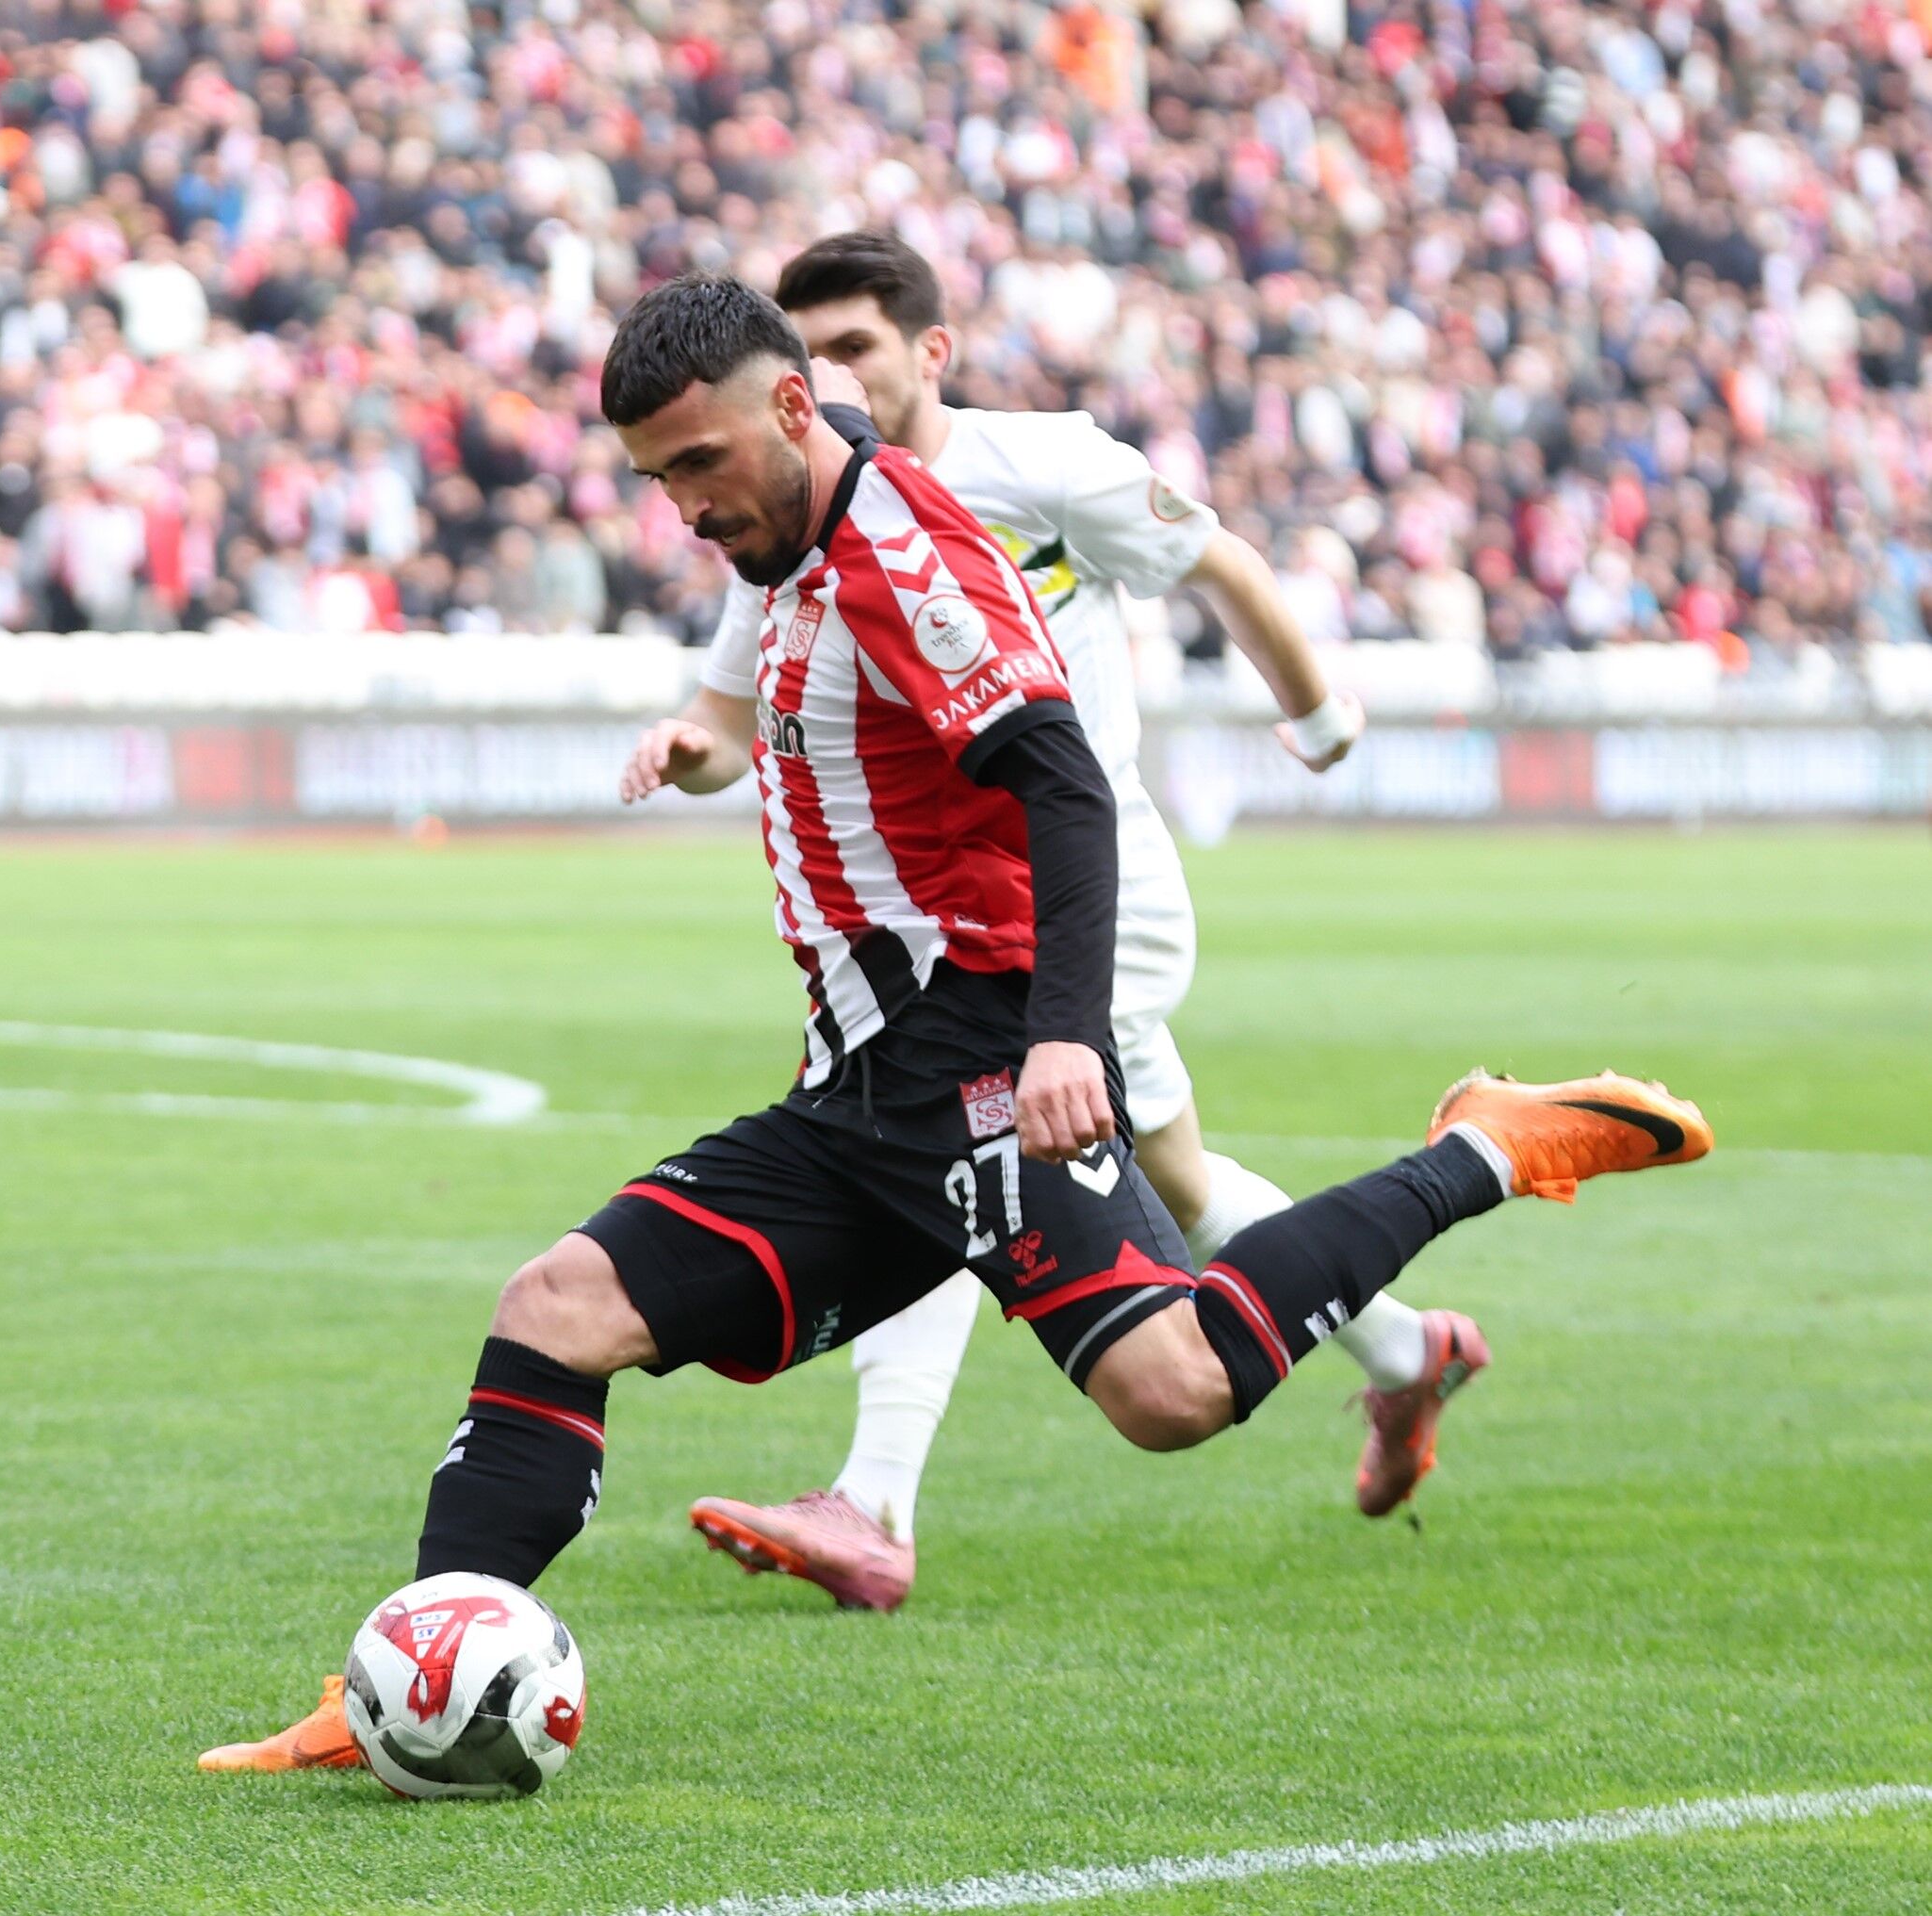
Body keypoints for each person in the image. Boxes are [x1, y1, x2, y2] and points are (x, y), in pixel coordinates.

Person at [197, 273, 1710, 1774]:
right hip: (854, 1092)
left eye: (701, 465)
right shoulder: (791, 519)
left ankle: (1482, 1149)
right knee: (556, 1306)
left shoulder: (903, 557)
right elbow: (782, 615)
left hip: (976, 1057)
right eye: (659, 481)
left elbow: (1065, 784)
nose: (687, 510)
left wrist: (1065, 1036)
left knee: (1172, 1391)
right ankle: (403, 1679)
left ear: (793, 410)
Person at [636, 234, 1442, 1615]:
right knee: (1174, 1181)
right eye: (809, 351)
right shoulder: (781, 513)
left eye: (855, 347)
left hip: (1078, 886)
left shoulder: (1041, 466)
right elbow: (727, 716)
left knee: (946, 1136)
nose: (831, 374)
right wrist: (686, 753)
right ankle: (1412, 1349)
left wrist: (1318, 716)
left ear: (929, 351)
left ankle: (875, 1500)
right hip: (939, 919)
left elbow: (1219, 561)